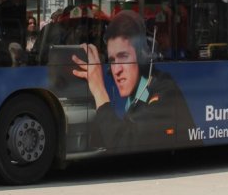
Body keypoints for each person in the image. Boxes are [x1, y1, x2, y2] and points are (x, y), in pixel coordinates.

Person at [71, 10, 199, 151]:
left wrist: (99, 91)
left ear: (142, 56)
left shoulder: (165, 92)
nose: (116, 70)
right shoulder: (135, 98)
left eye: (123, 56)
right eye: (112, 60)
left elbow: (123, 144)